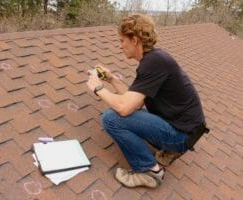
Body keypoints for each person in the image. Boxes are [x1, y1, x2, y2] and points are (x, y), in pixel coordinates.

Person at [86, 13, 208, 188]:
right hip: (184, 130)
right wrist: (112, 79)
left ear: (134, 40)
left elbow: (124, 108)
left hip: (181, 135)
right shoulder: (154, 59)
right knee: (124, 113)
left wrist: (98, 88)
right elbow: (135, 101)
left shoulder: (154, 62)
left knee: (111, 119)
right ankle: (167, 149)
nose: (120, 46)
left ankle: (149, 172)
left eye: (122, 40)